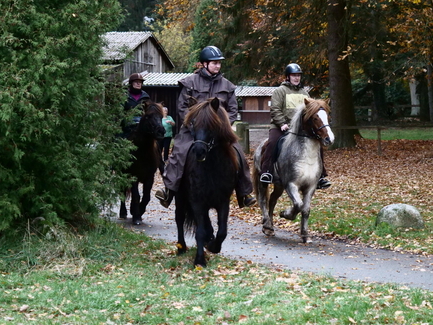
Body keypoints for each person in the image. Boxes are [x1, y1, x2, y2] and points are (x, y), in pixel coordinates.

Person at [155, 46, 256, 208]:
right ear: (204, 64)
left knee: (239, 154)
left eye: (219, 63)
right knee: (179, 151)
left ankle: (245, 193)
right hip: (193, 129)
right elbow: (182, 107)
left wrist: (222, 126)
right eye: (214, 63)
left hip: (220, 131)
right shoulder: (190, 83)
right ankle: (169, 191)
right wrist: (194, 125)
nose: (217, 66)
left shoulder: (228, 86)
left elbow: (232, 110)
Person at [259, 63, 331, 189]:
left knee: (317, 144)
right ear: (288, 77)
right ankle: (267, 172)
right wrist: (282, 123)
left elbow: (311, 112)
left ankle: (321, 176)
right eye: (294, 76)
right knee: (273, 143)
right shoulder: (280, 91)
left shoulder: (305, 93)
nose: (297, 78)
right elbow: (275, 109)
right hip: (280, 126)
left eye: (298, 76)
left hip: (300, 129)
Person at [121, 72, 150, 137]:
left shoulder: (146, 97)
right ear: (131, 83)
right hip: (126, 125)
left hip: (142, 124)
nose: (138, 83)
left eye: (140, 82)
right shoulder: (124, 95)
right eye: (136, 81)